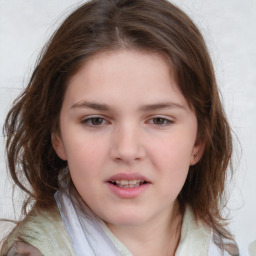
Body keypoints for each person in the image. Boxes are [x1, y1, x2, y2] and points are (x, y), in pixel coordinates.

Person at [0, 0, 240, 255]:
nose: (126, 150)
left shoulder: (219, 245)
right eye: (95, 120)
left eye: (159, 120)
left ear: (199, 140)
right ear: (57, 136)